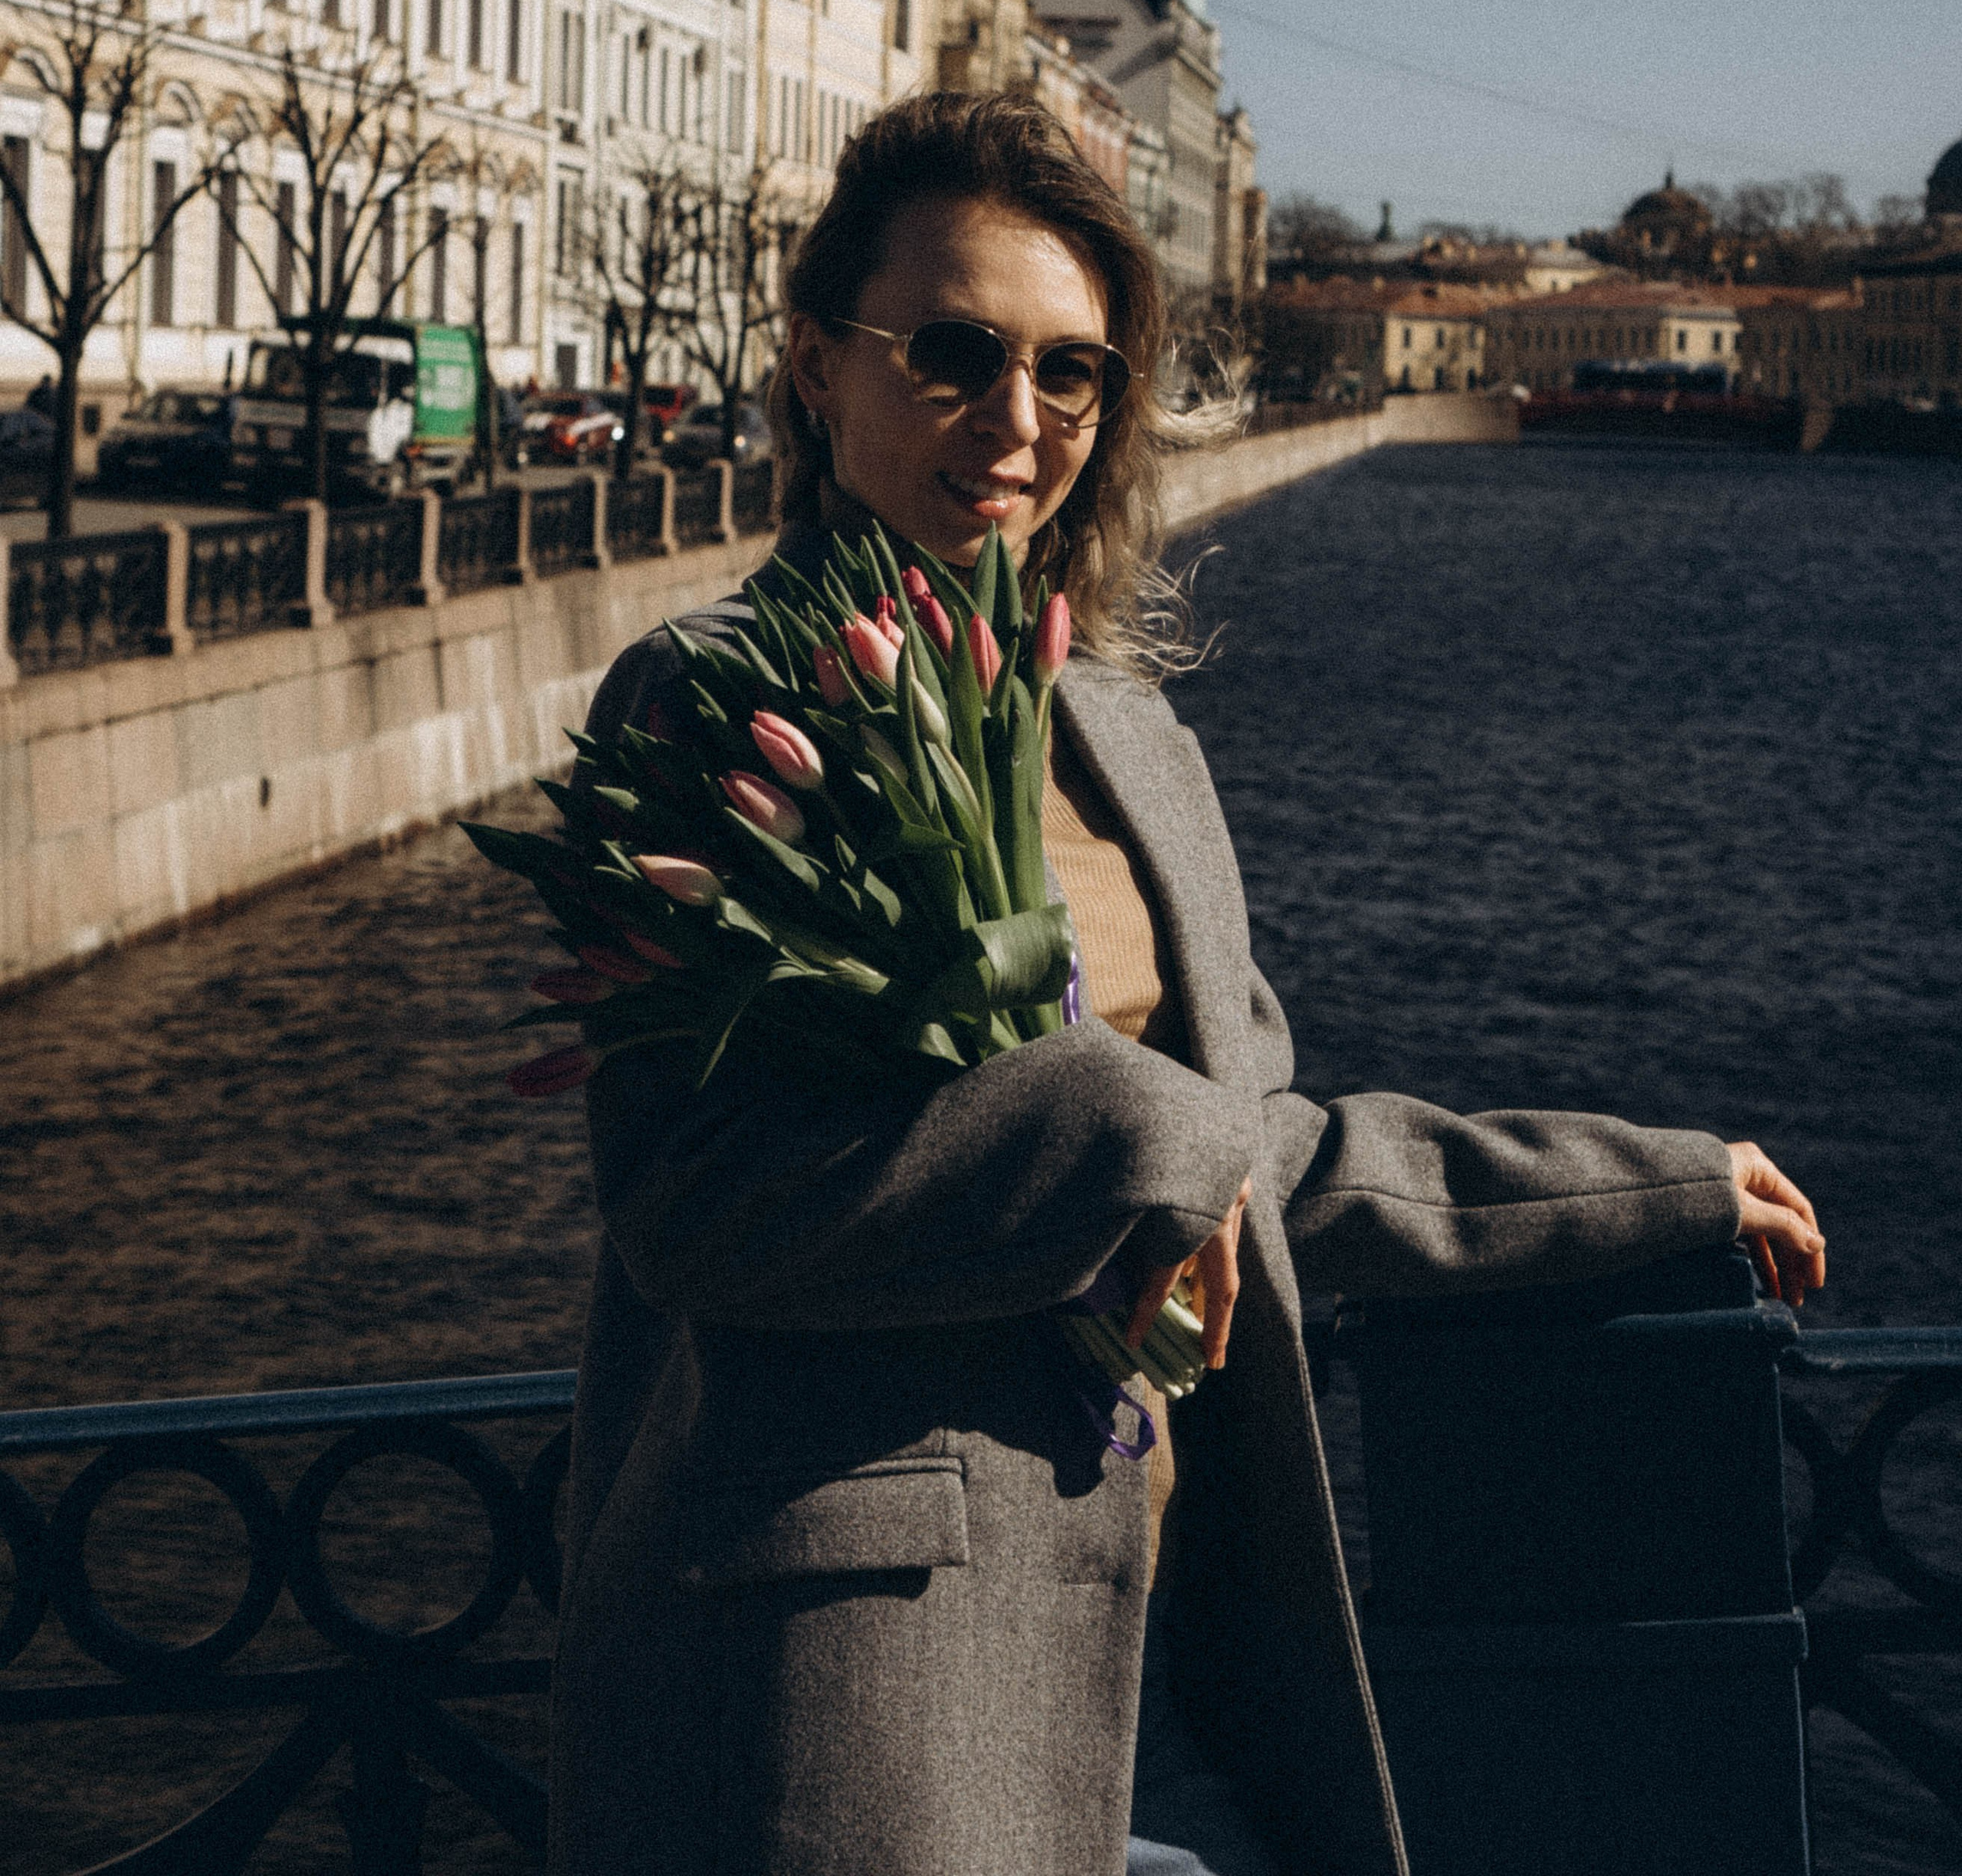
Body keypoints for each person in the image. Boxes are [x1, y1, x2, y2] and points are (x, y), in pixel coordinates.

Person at [551, 94, 1823, 1876]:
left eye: (1069, 374)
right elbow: (696, 1202)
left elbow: (1247, 1152)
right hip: (877, 1676)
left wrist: (1639, 1185)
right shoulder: (711, 706)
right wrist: (1126, 1121)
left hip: (1179, 1625)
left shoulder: (1127, 734)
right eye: (952, 352)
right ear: (816, 366)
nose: (1015, 422)